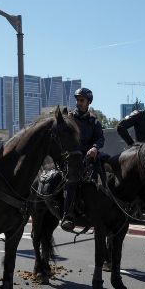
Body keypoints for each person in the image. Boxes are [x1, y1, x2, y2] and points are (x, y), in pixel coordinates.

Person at [60, 87, 104, 232]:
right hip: (73, 158)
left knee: (107, 167)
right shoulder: (69, 119)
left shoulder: (94, 122)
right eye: (78, 100)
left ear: (88, 102)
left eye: (82, 100)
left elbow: (100, 138)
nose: (79, 103)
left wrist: (95, 148)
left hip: (90, 156)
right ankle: (67, 216)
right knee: (72, 180)